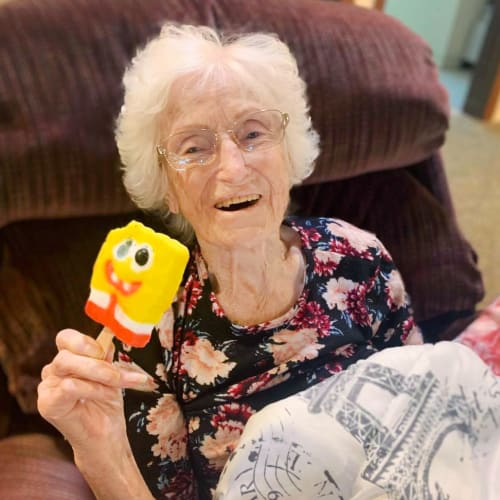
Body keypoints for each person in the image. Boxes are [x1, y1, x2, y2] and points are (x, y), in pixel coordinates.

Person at [37, 24, 422, 499]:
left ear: (289, 153)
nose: (233, 168)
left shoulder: (357, 257)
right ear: (167, 191)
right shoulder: (149, 335)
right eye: (194, 148)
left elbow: (420, 400)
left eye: (253, 134)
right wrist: (101, 453)